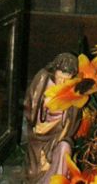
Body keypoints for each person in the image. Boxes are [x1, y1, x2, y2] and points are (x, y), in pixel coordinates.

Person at [24, 53, 81, 184]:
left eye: (66, 79)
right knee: (33, 170)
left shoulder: (73, 90)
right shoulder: (43, 79)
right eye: (59, 77)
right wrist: (38, 121)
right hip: (39, 131)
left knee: (64, 148)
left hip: (58, 133)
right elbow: (31, 102)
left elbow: (71, 121)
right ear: (54, 71)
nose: (62, 82)